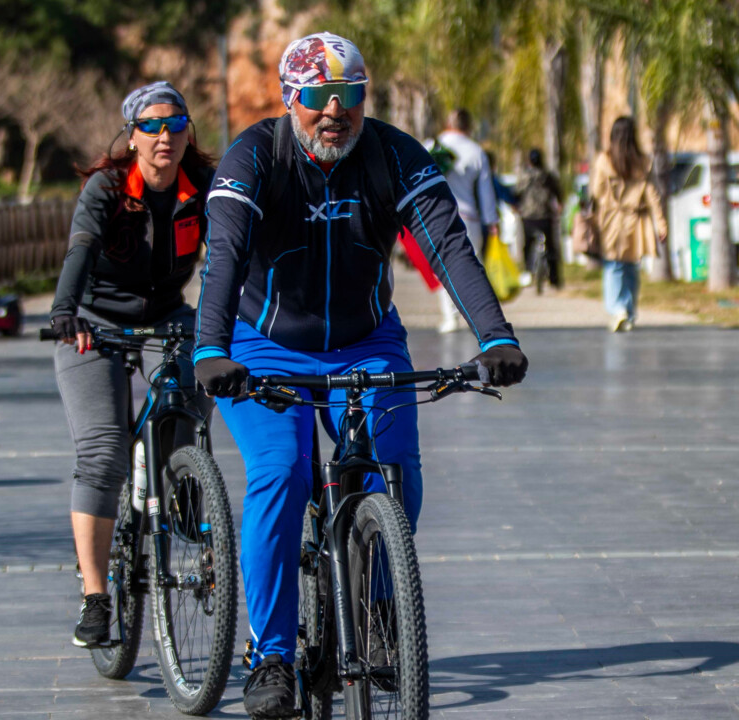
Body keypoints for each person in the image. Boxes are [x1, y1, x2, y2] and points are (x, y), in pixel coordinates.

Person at [190, 33, 528, 719]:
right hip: (263, 344)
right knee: (281, 470)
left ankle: (376, 602)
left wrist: (495, 335)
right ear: (290, 98)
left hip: (367, 340)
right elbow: (224, 255)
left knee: (396, 466)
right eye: (318, 97)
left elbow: (447, 242)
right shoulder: (253, 157)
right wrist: (210, 350)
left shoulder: (393, 154)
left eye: (349, 96)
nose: (334, 111)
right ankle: (271, 655)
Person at [48, 81, 216, 647]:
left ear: (188, 131)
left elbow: (230, 254)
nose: (164, 135)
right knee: (103, 454)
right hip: (93, 324)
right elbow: (80, 248)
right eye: (151, 125)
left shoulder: (205, 186)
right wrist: (64, 310)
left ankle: (184, 481)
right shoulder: (108, 186)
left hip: (167, 316)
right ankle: (96, 597)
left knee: (200, 379)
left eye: (175, 124)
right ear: (132, 136)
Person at [591, 116, 668, 332]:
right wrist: (661, 224)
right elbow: (653, 196)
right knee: (631, 266)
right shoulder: (643, 162)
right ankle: (629, 311)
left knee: (614, 265)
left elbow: (597, 191)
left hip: (611, 220)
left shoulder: (604, 160)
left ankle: (618, 309)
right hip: (637, 222)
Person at [435, 108, 500, 333]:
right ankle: (476, 317)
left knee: (443, 267)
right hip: (469, 218)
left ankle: (450, 317)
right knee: (472, 267)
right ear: (469, 126)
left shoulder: (433, 146)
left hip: (438, 215)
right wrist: (492, 221)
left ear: (447, 123)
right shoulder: (476, 151)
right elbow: (486, 191)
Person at [515, 148, 563, 289]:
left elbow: (516, 193)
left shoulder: (524, 176)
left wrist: (517, 205)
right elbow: (557, 191)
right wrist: (560, 204)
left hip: (528, 216)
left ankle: (527, 271)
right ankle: (554, 278)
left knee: (527, 246)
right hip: (545, 215)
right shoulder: (547, 176)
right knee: (551, 247)